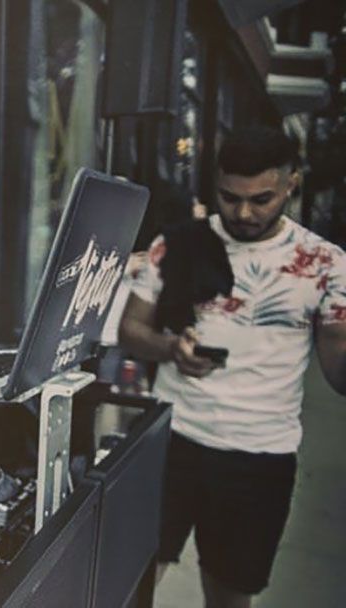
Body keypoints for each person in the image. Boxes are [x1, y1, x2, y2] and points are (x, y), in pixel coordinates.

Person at [119, 126, 346, 608]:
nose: (243, 213)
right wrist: (171, 348)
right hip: (171, 439)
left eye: (261, 199)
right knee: (128, 584)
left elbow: (337, 366)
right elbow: (131, 329)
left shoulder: (326, 264)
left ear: (291, 184)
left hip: (259, 457)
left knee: (229, 595)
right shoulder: (176, 243)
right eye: (230, 197)